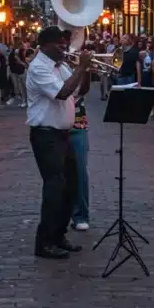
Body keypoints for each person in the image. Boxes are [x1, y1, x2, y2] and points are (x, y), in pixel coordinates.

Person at [26, 26, 92, 259]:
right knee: (54, 187)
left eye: (65, 42)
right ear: (44, 45)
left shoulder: (60, 66)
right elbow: (63, 93)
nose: (64, 46)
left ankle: (59, 235)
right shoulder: (38, 68)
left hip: (63, 134)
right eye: (59, 43)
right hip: (46, 135)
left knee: (71, 186)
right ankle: (44, 242)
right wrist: (81, 67)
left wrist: (87, 72)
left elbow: (78, 90)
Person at [63, 31, 92, 232]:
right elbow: (63, 91)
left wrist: (86, 70)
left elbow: (83, 91)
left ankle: (81, 214)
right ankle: (61, 217)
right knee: (59, 175)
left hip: (78, 123)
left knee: (80, 172)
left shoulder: (76, 63)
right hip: (57, 125)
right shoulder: (53, 67)